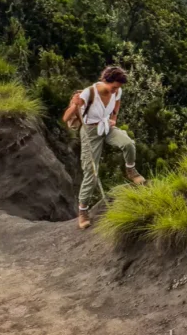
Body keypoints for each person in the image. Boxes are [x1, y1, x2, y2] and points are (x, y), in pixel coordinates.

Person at [62, 66, 146, 229]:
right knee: (91, 173)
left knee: (128, 143)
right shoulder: (89, 93)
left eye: (118, 87)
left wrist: (114, 117)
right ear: (104, 81)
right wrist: (74, 105)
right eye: (114, 86)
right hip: (90, 132)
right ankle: (83, 211)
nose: (116, 90)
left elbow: (118, 102)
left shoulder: (117, 92)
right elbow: (66, 117)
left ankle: (131, 171)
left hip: (106, 126)